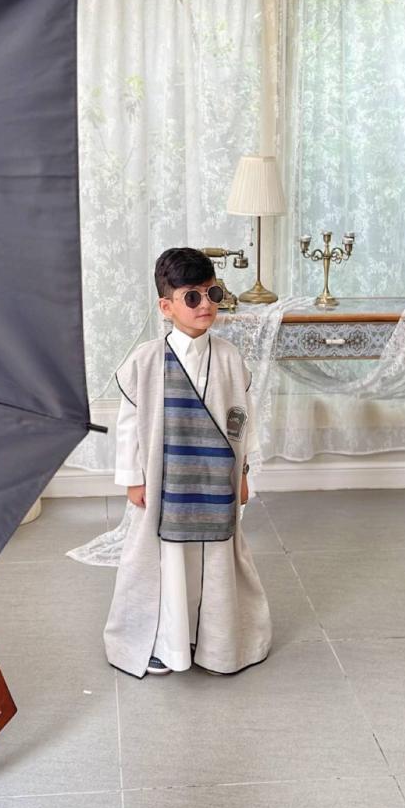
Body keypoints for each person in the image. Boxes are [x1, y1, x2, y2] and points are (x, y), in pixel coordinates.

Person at [104, 247, 272, 678]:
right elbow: (128, 426)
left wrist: (243, 473)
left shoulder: (230, 358)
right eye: (191, 297)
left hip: (215, 481)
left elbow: (243, 419)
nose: (205, 305)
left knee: (213, 559)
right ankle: (168, 643)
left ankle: (215, 641)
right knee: (168, 562)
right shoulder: (144, 361)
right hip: (166, 482)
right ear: (166, 306)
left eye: (211, 294)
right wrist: (133, 479)